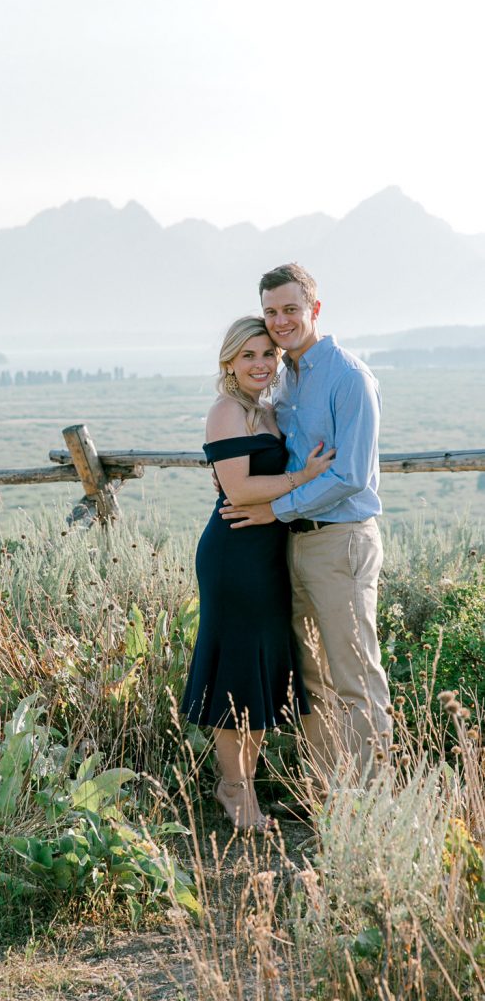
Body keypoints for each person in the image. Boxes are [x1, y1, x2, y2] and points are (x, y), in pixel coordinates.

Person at [219, 263, 392, 789]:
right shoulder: (286, 377)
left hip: (341, 542)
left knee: (355, 675)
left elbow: (351, 475)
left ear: (315, 309)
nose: (280, 321)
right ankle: (325, 793)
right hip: (295, 544)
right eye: (271, 311)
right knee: (313, 678)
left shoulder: (348, 377)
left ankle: (371, 803)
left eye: (291, 309)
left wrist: (275, 510)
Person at [181, 315, 334, 830]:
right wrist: (303, 476)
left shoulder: (266, 410)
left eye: (268, 353)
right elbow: (240, 490)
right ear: (229, 362)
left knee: (263, 671)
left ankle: (241, 783)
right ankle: (235, 790)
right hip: (235, 556)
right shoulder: (227, 411)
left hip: (269, 555)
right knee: (238, 672)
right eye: (248, 355)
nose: (261, 363)